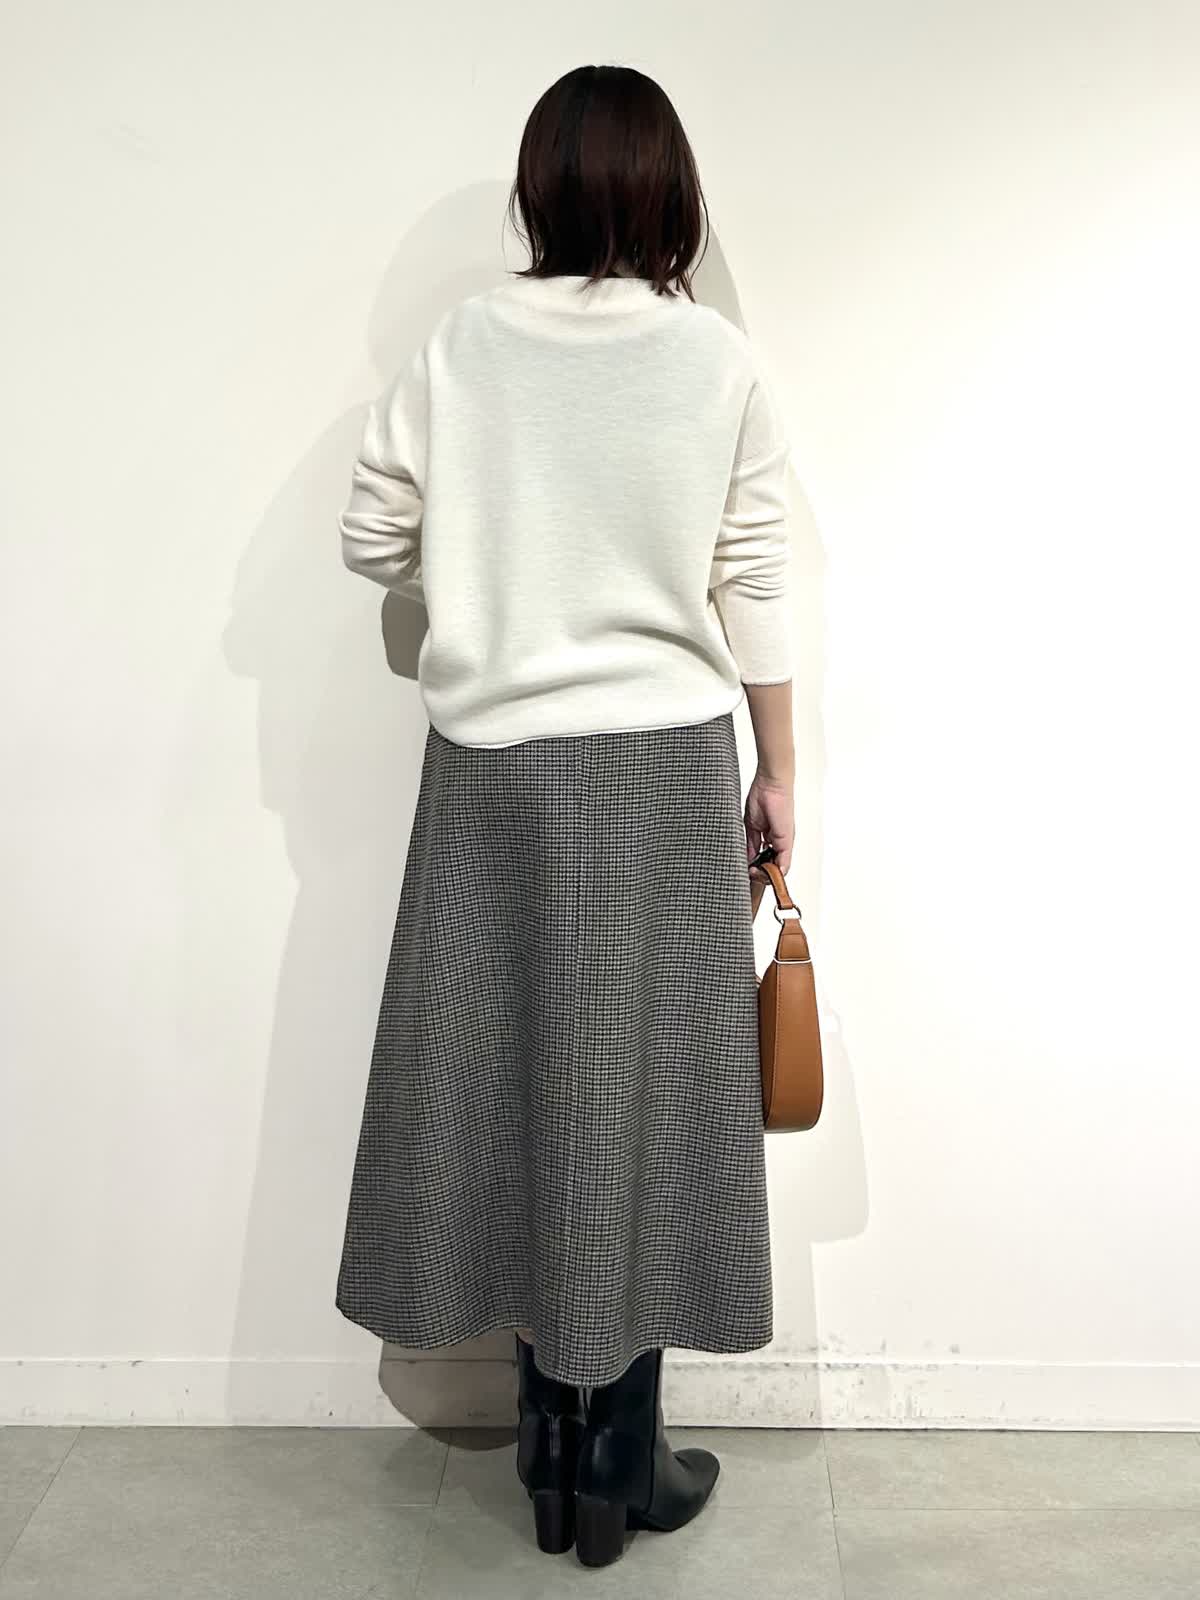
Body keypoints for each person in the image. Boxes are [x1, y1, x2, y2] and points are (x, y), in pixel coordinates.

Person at [333, 62, 797, 1570]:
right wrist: (779, 771)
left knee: (509, 1075)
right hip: (661, 763)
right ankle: (621, 1459)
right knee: (646, 1094)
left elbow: (370, 537)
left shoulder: (464, 345)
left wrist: (479, 585)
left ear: (540, 191)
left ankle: (544, 1444)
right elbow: (756, 576)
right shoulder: (711, 360)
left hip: (490, 770)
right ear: (672, 196)